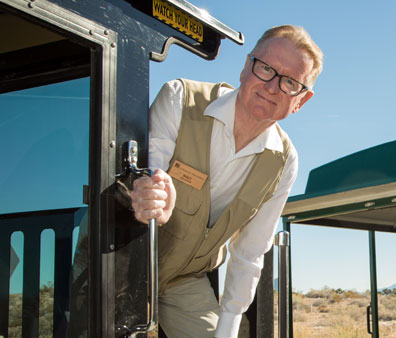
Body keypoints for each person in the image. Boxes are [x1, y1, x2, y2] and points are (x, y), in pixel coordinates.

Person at [130, 25, 323, 338]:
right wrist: (154, 195)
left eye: (289, 81)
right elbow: (149, 175)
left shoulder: (285, 161)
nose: (272, 87)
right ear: (246, 66)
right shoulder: (180, 98)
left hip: (184, 280)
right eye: (266, 69)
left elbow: (249, 252)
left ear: (302, 100)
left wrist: (227, 328)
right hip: (122, 260)